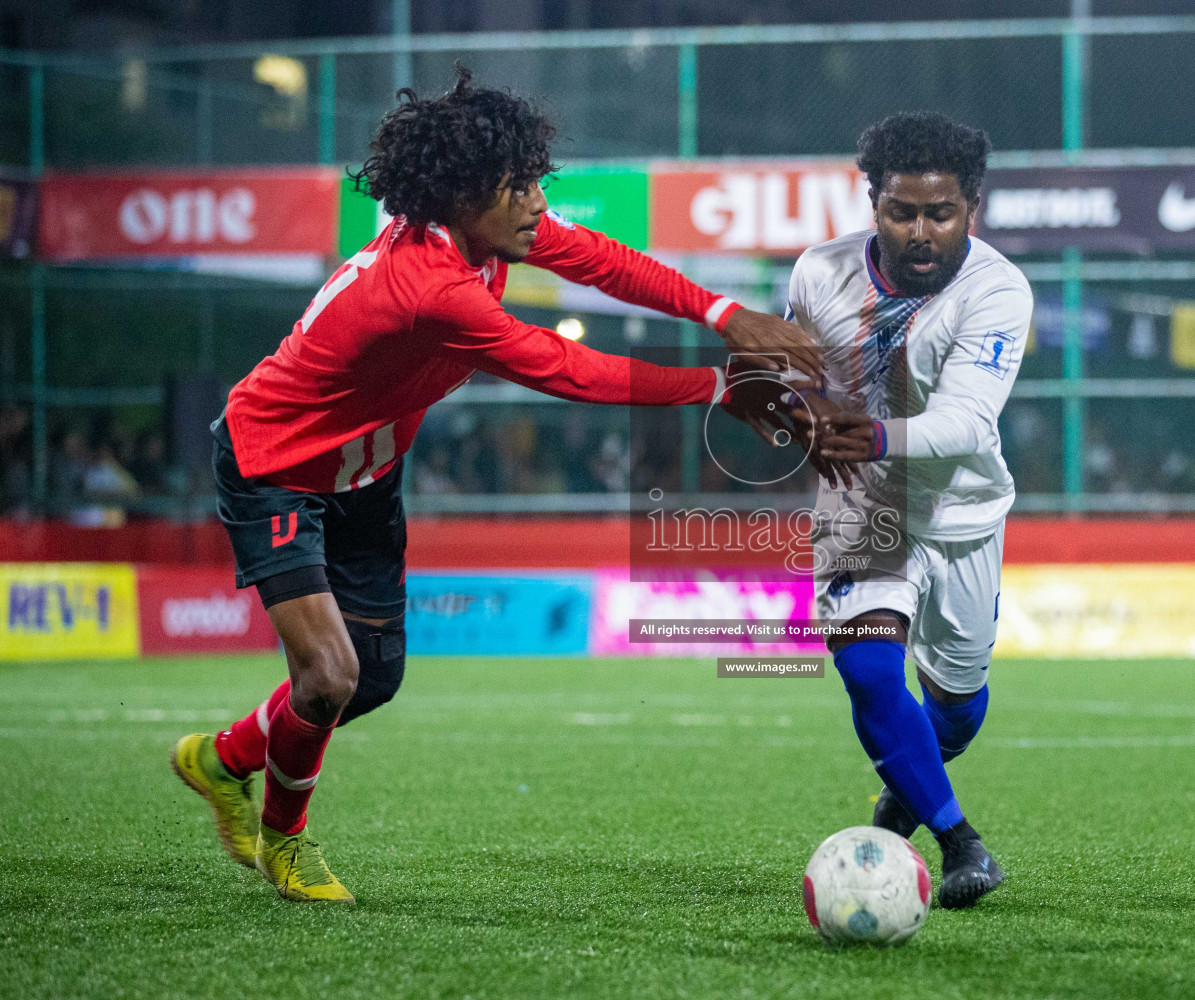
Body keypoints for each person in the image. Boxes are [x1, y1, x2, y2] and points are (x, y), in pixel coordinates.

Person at [171, 66, 810, 903]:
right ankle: (283, 843)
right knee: (329, 675)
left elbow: (607, 264)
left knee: (375, 675)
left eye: (535, 181)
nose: (538, 203)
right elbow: (565, 369)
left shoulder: (485, 235)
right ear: (463, 195)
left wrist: (724, 317)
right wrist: (719, 388)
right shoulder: (427, 287)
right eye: (518, 187)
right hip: (275, 465)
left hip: (368, 469)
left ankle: (220, 761)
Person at [786, 112, 1032, 909]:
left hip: (962, 514)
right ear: (873, 202)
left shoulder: (996, 291)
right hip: (865, 506)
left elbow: (965, 422)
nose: (921, 231)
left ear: (973, 207)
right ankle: (964, 843)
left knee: (957, 712)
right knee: (865, 667)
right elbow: (794, 377)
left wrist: (857, 433)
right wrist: (790, 405)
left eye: (941, 213)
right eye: (902, 211)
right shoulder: (817, 275)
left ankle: (906, 800)